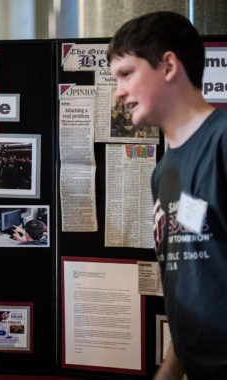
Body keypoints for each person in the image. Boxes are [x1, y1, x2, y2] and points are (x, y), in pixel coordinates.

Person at [108, 11, 227, 379]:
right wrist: (172, 367)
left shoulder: (222, 141)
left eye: (127, 74)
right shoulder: (163, 172)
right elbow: (194, 279)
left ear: (169, 65)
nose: (119, 92)